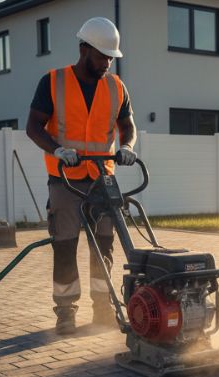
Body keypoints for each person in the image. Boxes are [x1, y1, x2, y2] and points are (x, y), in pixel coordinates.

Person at [26, 17, 137, 335]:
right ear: (84, 49)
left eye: (110, 57)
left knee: (103, 245)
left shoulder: (116, 87)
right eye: (102, 55)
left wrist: (127, 146)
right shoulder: (53, 81)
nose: (107, 62)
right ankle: (65, 311)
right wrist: (57, 149)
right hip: (65, 179)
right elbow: (33, 126)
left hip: (103, 177)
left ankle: (103, 308)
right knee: (65, 245)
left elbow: (127, 126)